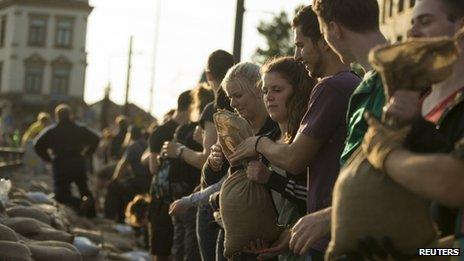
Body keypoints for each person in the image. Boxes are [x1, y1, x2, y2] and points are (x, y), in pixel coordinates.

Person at [229, 5, 360, 258]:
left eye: (301, 45)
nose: (297, 55)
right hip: (326, 230)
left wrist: (258, 144)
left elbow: (294, 159)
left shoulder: (331, 87)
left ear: (324, 40)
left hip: (330, 239)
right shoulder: (350, 82)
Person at [377, 0, 464, 241]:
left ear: (461, 26)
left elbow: (454, 182)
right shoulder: (417, 95)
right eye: (412, 23)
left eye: (425, 22)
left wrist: (423, 255)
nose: (412, 33)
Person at [239, 57, 316, 261]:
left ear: (297, 91)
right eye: (265, 91)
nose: (269, 97)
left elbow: (318, 197)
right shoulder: (268, 139)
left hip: (309, 246)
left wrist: (270, 178)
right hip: (279, 250)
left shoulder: (307, 142)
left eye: (277, 90)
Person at [163, 50, 234, 261]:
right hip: (229, 193)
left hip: (212, 198)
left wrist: (180, 151)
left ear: (208, 75)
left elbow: (207, 159)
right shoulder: (241, 105)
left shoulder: (214, 108)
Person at [158, 84, 213, 261]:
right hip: (189, 192)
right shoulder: (199, 129)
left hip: (182, 193)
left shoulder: (189, 130)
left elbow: (204, 161)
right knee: (188, 247)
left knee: (181, 246)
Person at [148, 90, 194, 261]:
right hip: (184, 200)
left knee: (161, 251)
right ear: (191, 106)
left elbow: (153, 168)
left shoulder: (160, 132)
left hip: (161, 199)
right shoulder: (193, 131)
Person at [34, 104, 100, 218]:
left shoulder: (52, 131)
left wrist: (48, 158)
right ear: (70, 115)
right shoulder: (80, 129)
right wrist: (87, 153)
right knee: (84, 188)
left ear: (57, 116)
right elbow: (96, 138)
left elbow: (37, 145)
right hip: (78, 162)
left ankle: (78, 204)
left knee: (61, 194)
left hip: (61, 163)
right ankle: (91, 214)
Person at [104, 125, 151, 223]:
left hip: (139, 181)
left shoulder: (133, 146)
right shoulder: (147, 144)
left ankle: (111, 218)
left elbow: (122, 164)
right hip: (149, 182)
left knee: (114, 187)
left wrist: (115, 179)